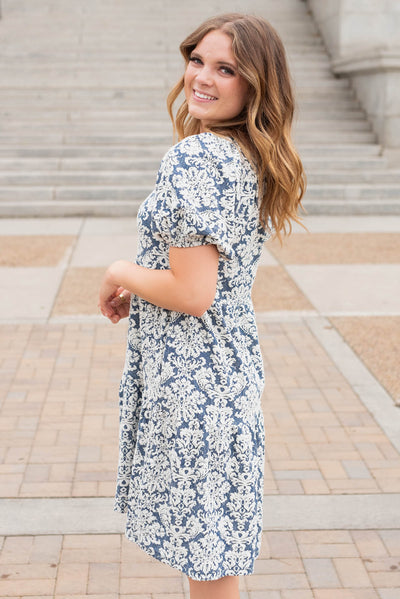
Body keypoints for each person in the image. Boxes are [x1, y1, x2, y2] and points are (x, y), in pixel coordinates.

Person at [99, 13, 305, 599]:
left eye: (227, 69)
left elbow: (193, 294)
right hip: (228, 370)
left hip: (193, 383)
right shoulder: (245, 154)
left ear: (255, 84)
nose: (203, 78)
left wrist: (120, 272)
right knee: (215, 555)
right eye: (198, 61)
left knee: (209, 562)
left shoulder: (199, 160)